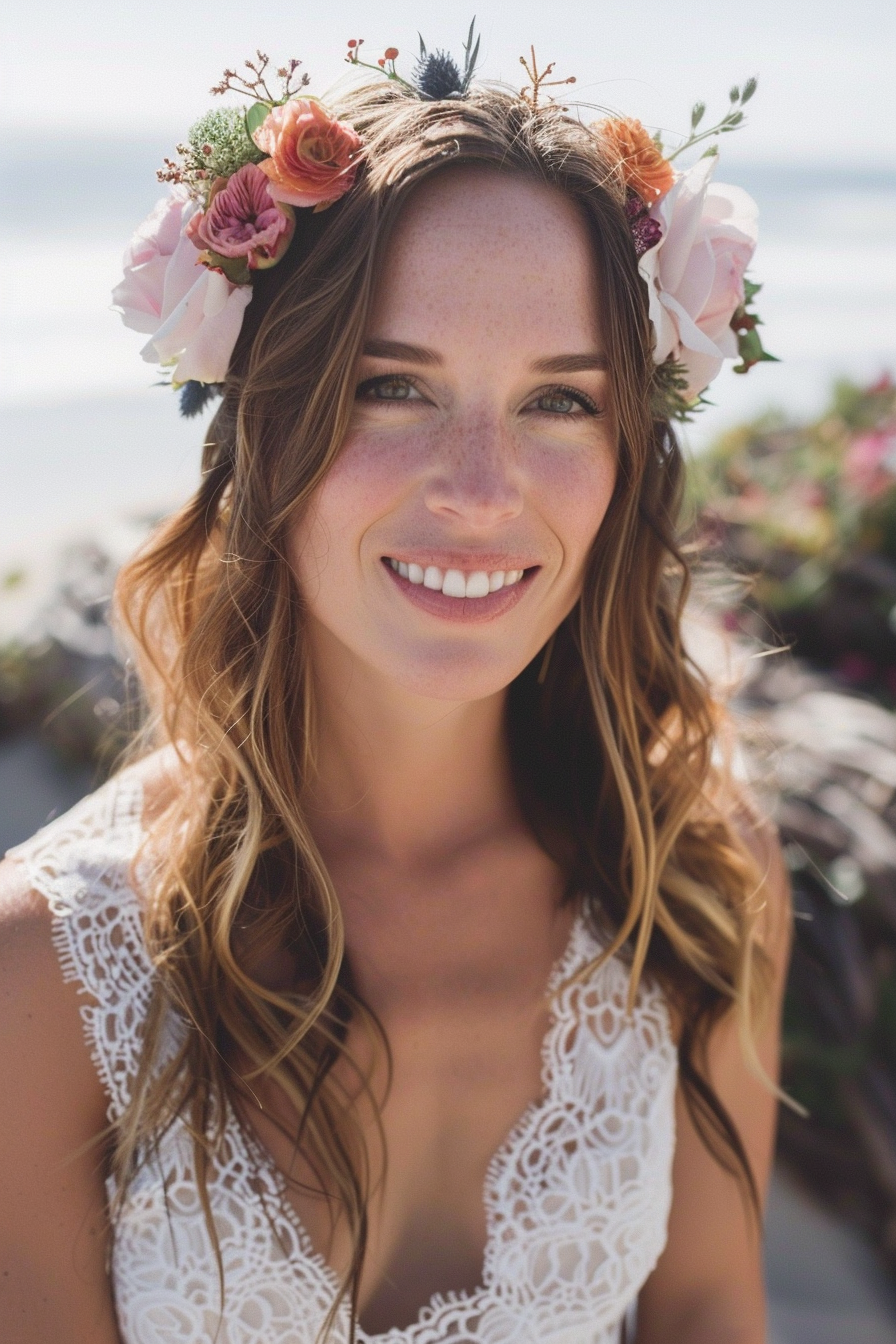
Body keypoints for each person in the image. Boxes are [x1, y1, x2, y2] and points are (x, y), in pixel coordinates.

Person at [0, 35, 790, 1344]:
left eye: (559, 402)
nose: (481, 491)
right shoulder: (45, 972)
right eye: (392, 386)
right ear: (265, 415)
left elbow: (710, 1305)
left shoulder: (691, 882)